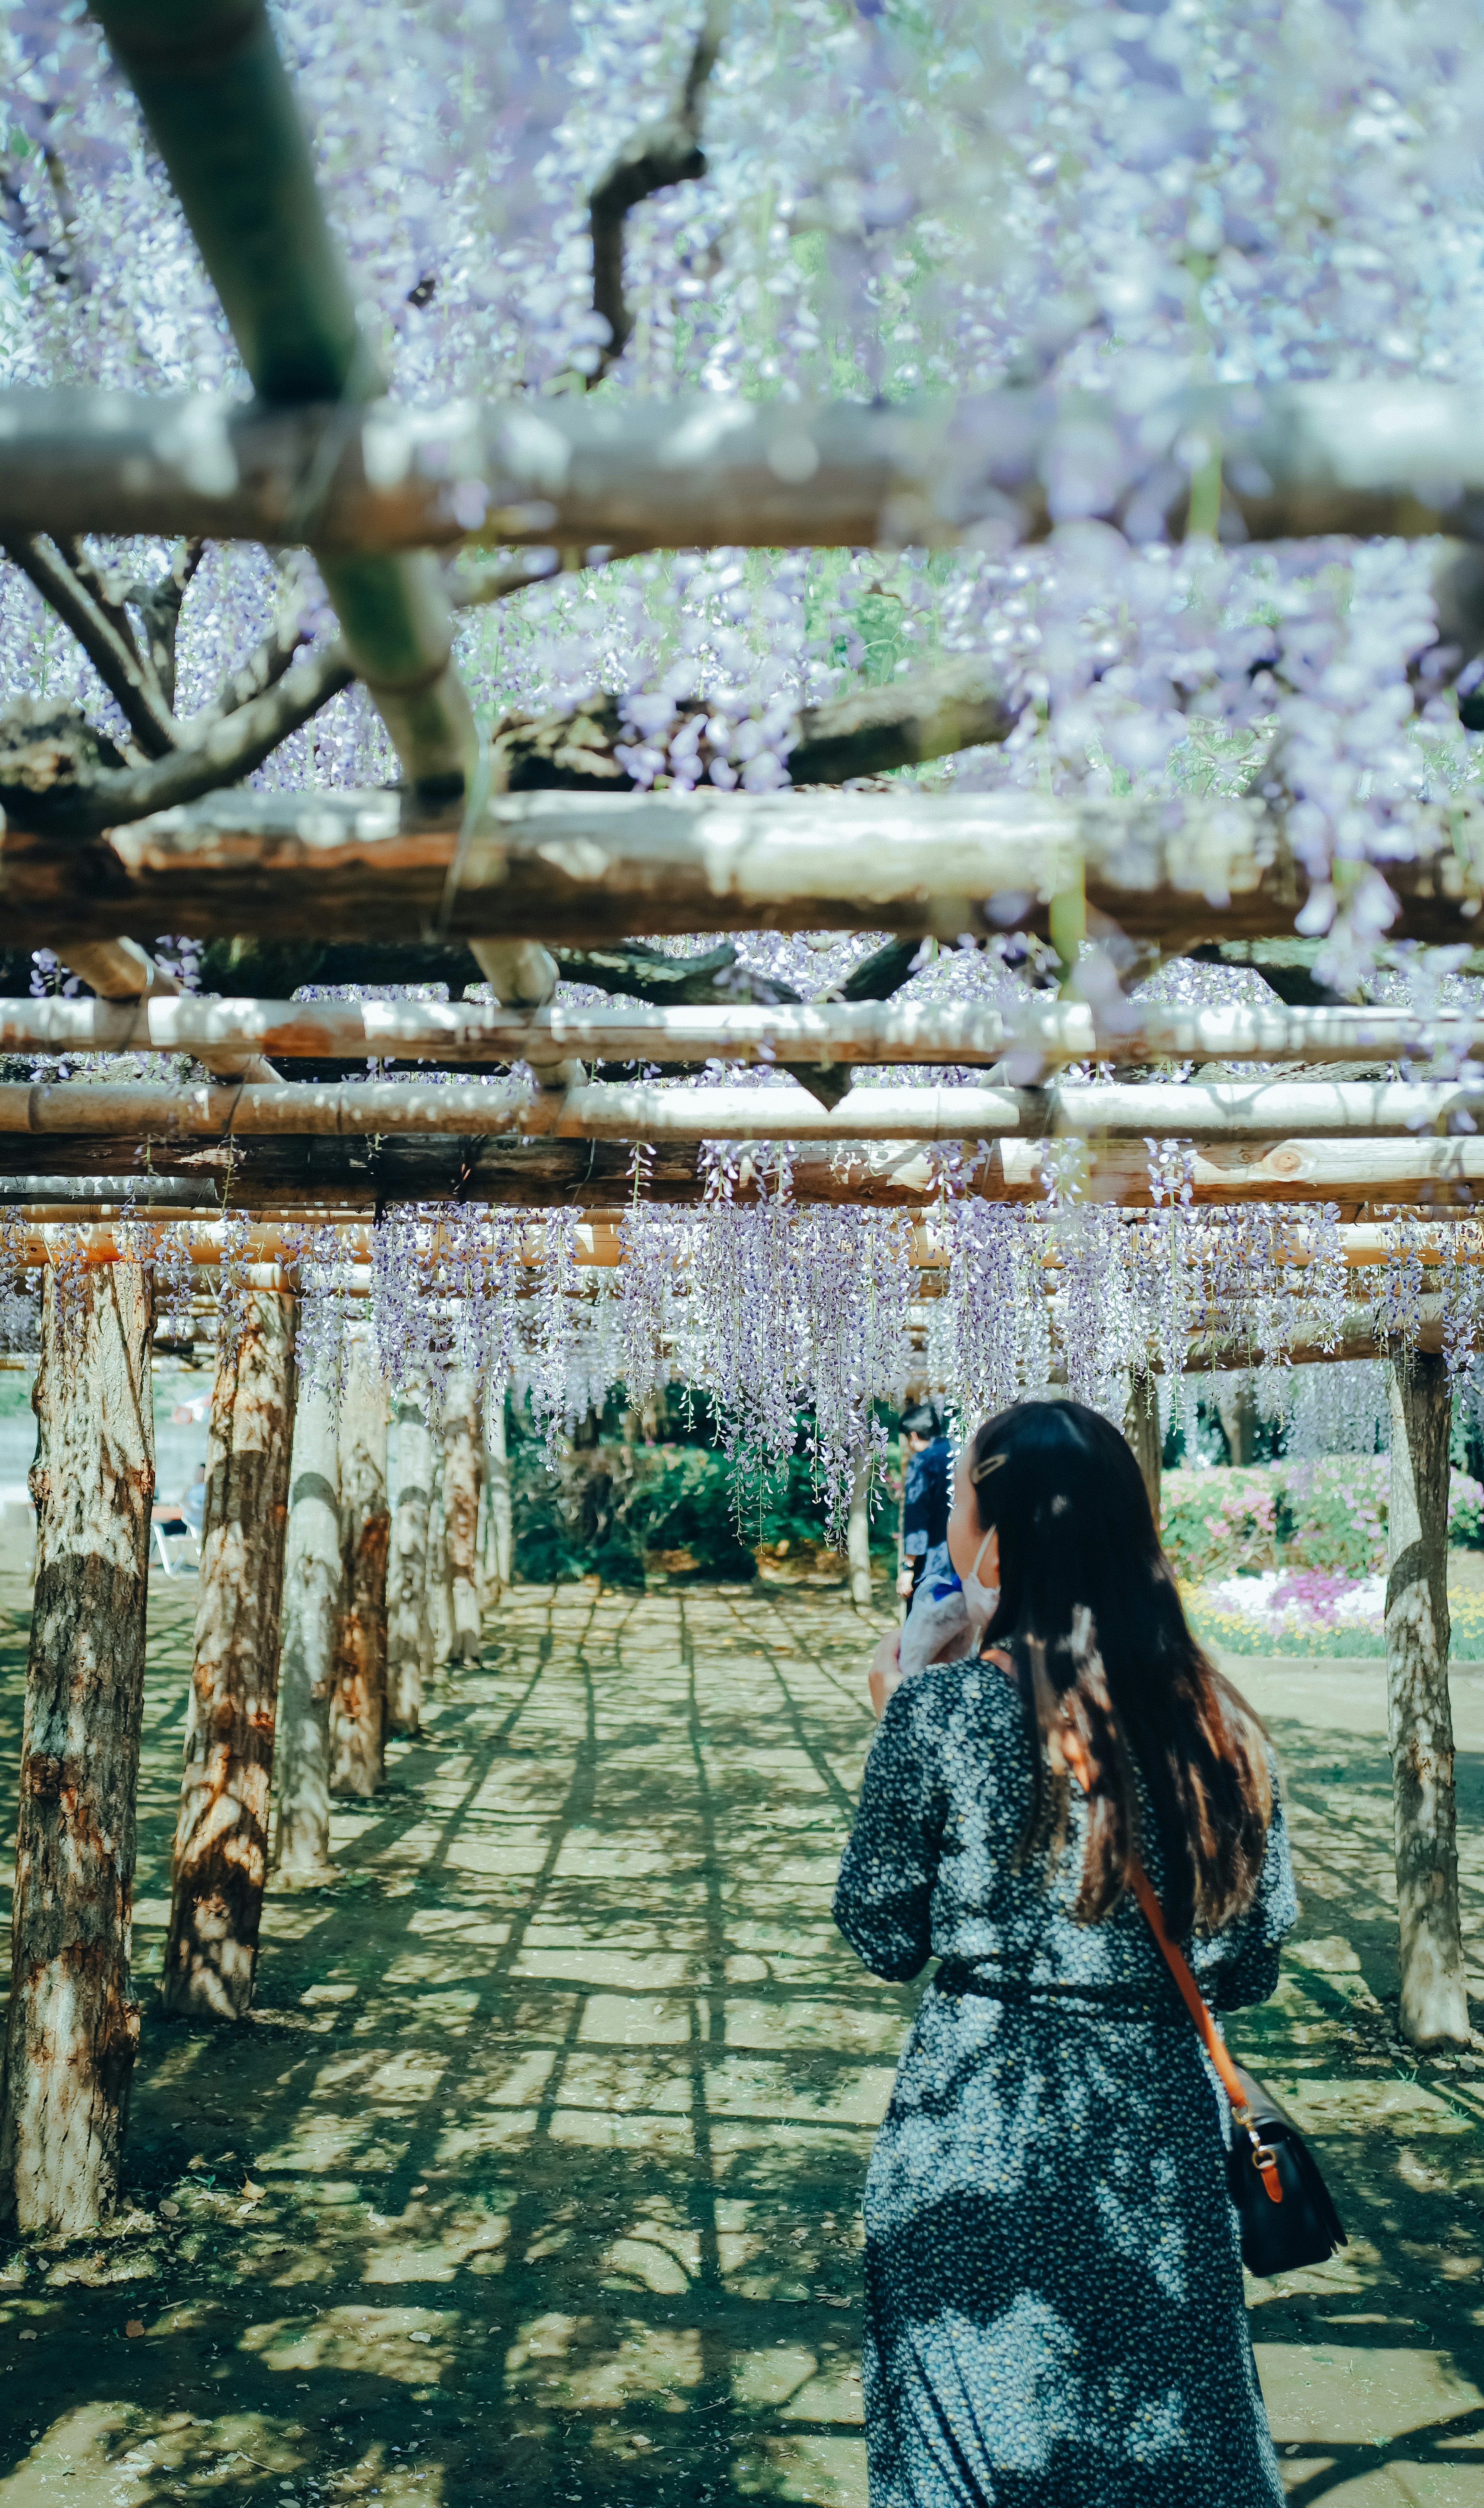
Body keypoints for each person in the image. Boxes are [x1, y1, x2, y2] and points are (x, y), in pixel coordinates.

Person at [834, 1399, 1296, 2508]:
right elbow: (1247, 1961)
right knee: (1169, 2450)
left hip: (973, 2132)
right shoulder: (1220, 1728)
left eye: (957, 1504)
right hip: (1154, 2144)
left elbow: (880, 1929)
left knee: (974, 2456)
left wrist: (904, 1702)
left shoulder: (939, 1715)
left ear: (995, 1537)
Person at [896, 1397, 953, 1603]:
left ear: (912, 1436)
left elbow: (916, 1515)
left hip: (932, 1559)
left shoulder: (922, 1461)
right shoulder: (959, 1451)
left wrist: (907, 1568)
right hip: (964, 1556)